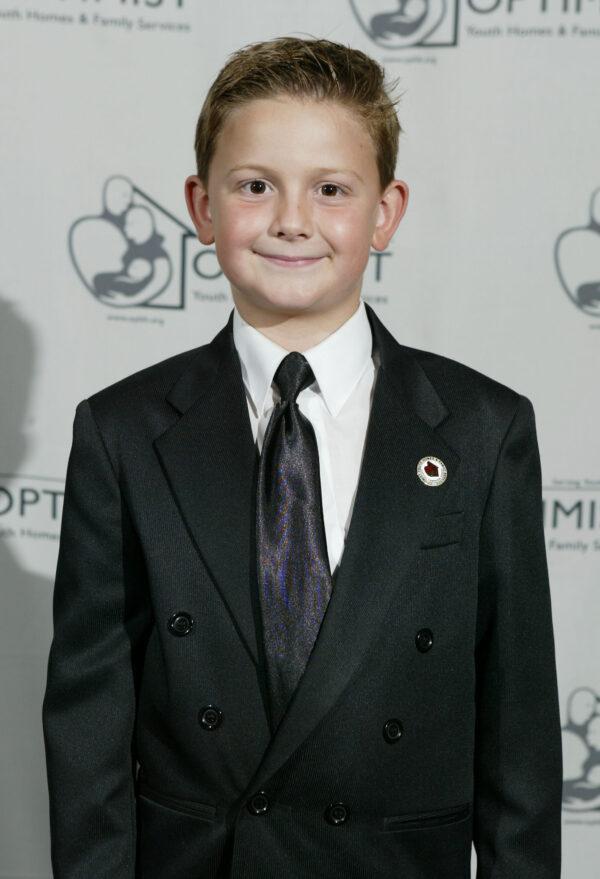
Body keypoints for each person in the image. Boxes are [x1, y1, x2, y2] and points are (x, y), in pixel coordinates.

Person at [42, 35, 562, 879]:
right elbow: (89, 732)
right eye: (255, 186)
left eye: (330, 189)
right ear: (202, 206)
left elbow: (521, 739)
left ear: (385, 212)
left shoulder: (481, 432)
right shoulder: (122, 432)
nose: (291, 220)